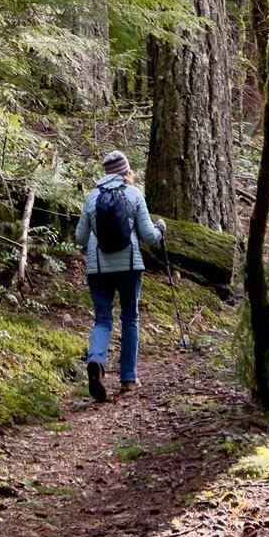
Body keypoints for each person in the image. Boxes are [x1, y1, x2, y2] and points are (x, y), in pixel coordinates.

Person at [74, 149, 165, 402]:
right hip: (129, 266)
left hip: (98, 268)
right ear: (126, 172)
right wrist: (160, 229)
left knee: (102, 320)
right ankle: (128, 379)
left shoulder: (92, 198)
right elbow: (148, 236)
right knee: (130, 319)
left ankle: (96, 360)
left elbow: (80, 238)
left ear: (105, 174)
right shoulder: (134, 194)